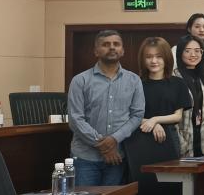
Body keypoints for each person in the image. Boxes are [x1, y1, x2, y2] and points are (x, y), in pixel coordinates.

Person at [67, 30, 145, 186]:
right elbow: (75, 119)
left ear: (122, 50)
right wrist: (105, 147)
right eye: (106, 44)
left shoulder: (134, 80)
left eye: (116, 44)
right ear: (96, 51)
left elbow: (137, 115)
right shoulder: (80, 80)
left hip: (118, 157)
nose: (112, 47)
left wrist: (114, 139)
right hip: (85, 158)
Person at [135, 37, 190, 159]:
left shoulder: (178, 83)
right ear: (143, 59)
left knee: (171, 171)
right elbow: (130, 116)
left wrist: (155, 120)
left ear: (167, 58)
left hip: (170, 137)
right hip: (141, 138)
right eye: (149, 57)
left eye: (159, 56)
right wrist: (153, 124)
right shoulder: (135, 84)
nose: (154, 61)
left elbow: (177, 116)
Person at [174, 34, 204, 158]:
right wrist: (181, 142)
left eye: (197, 51)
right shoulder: (174, 78)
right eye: (187, 51)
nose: (193, 55)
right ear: (180, 53)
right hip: (184, 138)